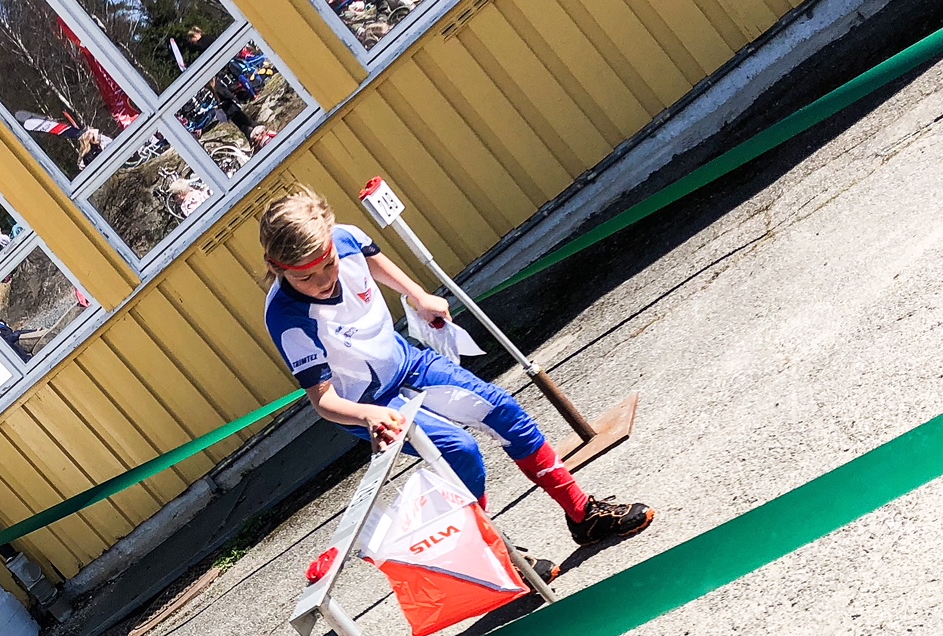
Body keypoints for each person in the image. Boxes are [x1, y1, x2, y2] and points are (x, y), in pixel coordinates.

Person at [260, 187, 654, 568]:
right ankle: (496, 556)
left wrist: (418, 296)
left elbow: (373, 261)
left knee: (503, 411)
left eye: (328, 264)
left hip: (409, 363)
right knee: (460, 451)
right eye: (307, 277)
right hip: (370, 404)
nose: (324, 280)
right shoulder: (285, 317)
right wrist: (369, 417)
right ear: (278, 269)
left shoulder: (345, 237)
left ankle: (583, 514)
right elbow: (324, 402)